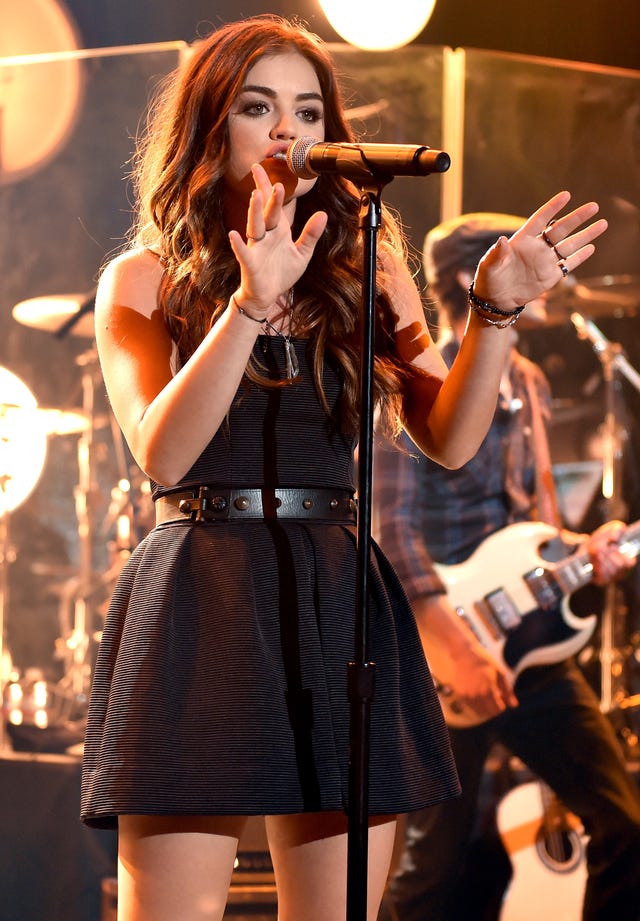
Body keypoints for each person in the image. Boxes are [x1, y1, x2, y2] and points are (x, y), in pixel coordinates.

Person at [79, 16, 610, 921]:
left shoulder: (367, 269)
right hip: (200, 589)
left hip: (334, 596)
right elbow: (163, 450)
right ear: (211, 127)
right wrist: (249, 305)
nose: (287, 132)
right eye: (258, 108)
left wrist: (493, 313)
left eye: (308, 111)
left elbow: (448, 438)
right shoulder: (145, 278)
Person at [373, 212, 640, 921]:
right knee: (434, 867)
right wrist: (455, 646)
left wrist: (582, 550)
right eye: (530, 260)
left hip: (529, 645)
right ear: (475, 276)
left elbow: (531, 523)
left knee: (623, 824)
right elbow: (390, 529)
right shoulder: (418, 375)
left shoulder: (530, 381)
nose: (552, 278)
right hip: (444, 647)